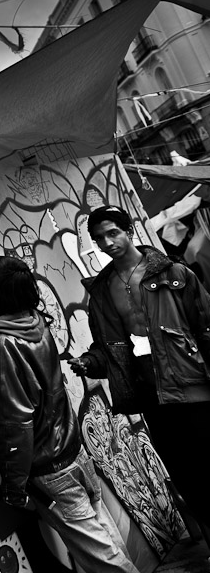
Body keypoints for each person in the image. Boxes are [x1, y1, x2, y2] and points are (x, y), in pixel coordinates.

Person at [0, 255, 138, 573]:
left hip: (51, 469)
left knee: (106, 563)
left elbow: (14, 422)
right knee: (106, 539)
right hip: (74, 453)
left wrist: (14, 487)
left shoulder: (0, 344)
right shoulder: (33, 320)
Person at [69, 205, 210, 528]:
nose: (107, 243)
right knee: (184, 471)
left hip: (192, 382)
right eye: (98, 238)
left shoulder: (173, 273)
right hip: (151, 392)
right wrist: (89, 363)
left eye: (112, 233)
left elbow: (205, 323)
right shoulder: (103, 291)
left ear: (129, 231)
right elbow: (110, 347)